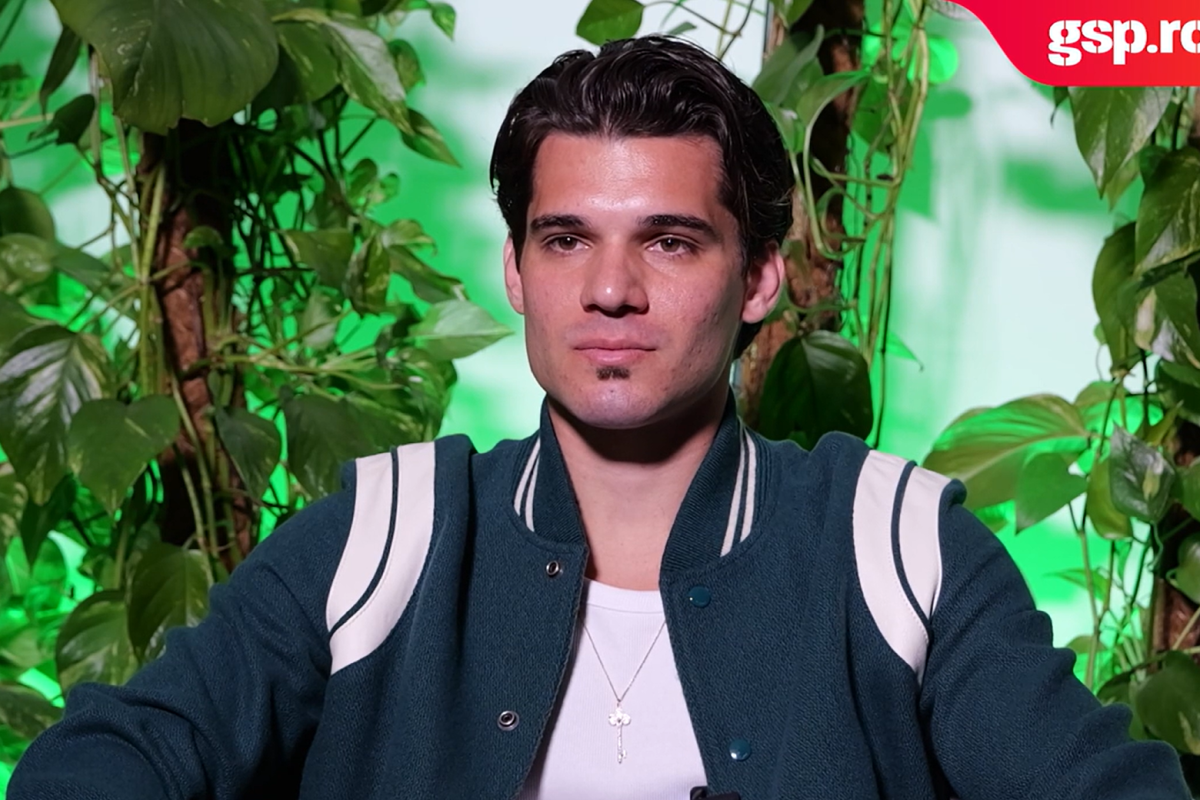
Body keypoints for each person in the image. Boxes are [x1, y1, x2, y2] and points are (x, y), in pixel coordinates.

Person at [7, 35, 1189, 800]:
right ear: (517, 271)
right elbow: (108, 758)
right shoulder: (385, 531)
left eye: (668, 241)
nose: (609, 289)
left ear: (760, 278)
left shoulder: (898, 543)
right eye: (566, 238)